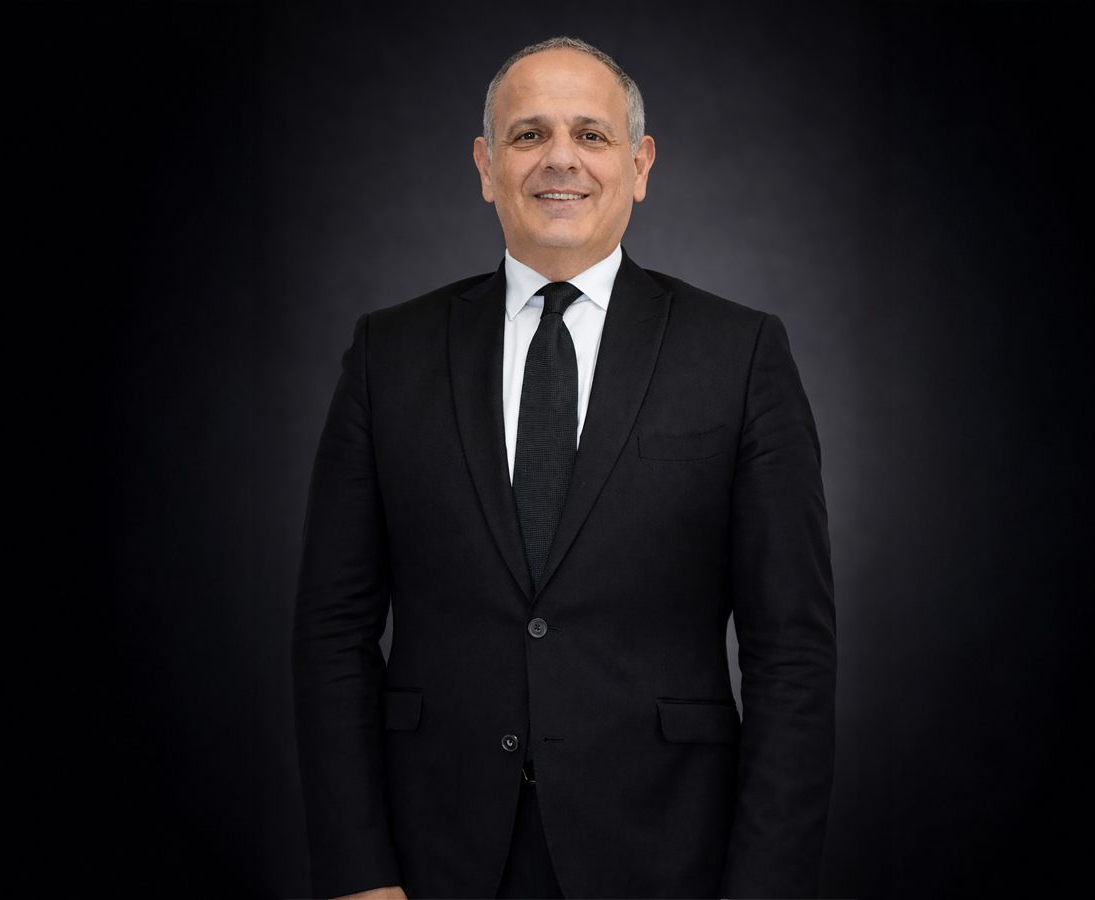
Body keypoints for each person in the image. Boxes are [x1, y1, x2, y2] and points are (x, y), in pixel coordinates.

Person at [292, 35, 836, 899]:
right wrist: (357, 874)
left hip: (668, 853)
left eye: (591, 134)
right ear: (484, 164)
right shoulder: (385, 354)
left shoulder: (739, 354)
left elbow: (792, 652)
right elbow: (331, 631)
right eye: (527, 134)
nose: (560, 160)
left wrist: (764, 886)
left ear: (639, 162)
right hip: (434, 853)